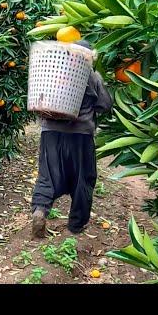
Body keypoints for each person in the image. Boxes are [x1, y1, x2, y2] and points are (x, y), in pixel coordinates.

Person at [31, 39, 112, 238]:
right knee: (83, 179)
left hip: (50, 133)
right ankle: (76, 225)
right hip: (80, 136)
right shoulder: (92, 75)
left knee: (46, 176)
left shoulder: (53, 70)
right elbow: (105, 105)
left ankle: (40, 210)